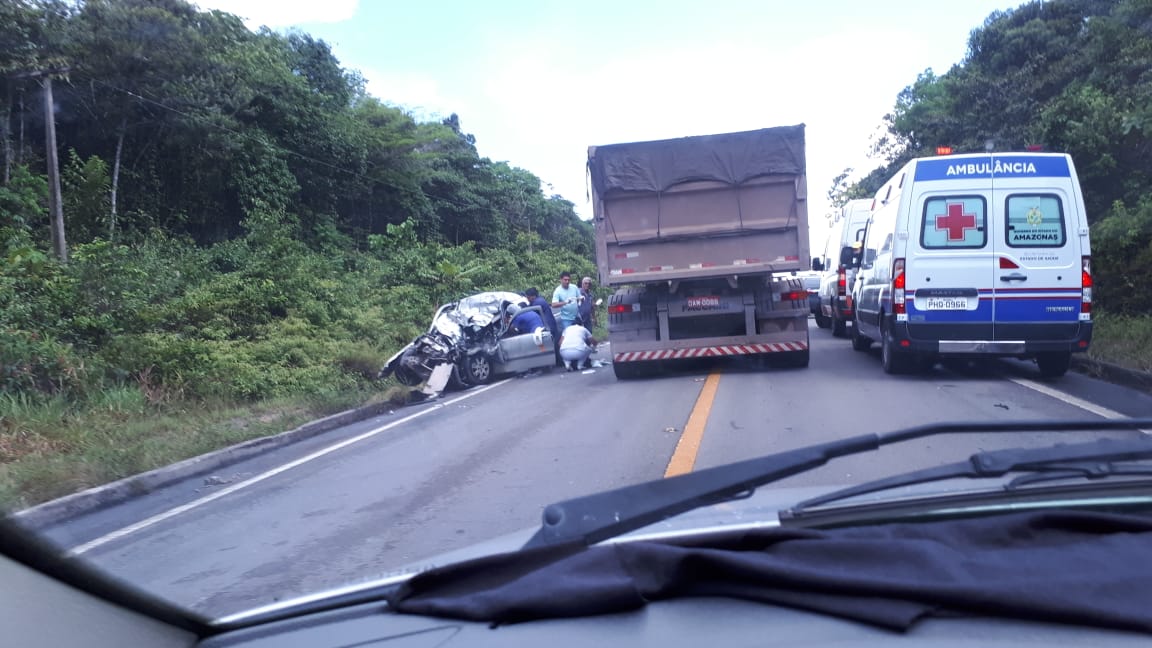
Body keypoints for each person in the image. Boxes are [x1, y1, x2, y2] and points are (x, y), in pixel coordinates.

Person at [523, 287, 562, 367]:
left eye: (528, 297)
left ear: (532, 296)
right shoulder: (539, 300)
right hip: (550, 325)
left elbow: (530, 311)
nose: (528, 299)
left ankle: (558, 363)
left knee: (552, 345)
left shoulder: (538, 302)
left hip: (548, 326)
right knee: (553, 345)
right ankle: (557, 362)